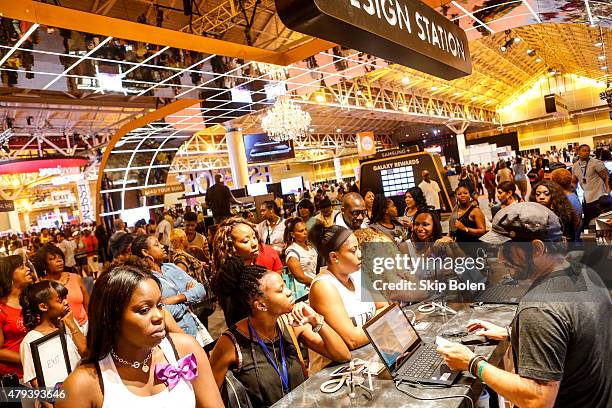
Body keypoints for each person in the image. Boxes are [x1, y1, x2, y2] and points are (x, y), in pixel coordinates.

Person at [437, 202, 612, 408]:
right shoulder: (585, 273)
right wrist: (516, 333)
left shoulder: (539, 307)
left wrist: (472, 363)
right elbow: (576, 337)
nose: (500, 258)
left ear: (537, 248)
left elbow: (537, 400)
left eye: (505, 250)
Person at [56, 265, 224, 408]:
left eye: (159, 305)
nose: (159, 316)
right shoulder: (82, 384)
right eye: (144, 310)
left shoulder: (185, 349)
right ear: (112, 318)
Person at [209, 258, 350, 407]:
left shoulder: (290, 324)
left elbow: (342, 355)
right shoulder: (231, 343)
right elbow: (209, 398)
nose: (289, 292)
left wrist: (316, 320)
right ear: (261, 305)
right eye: (280, 290)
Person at [309, 224, 385, 352]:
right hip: (336, 367)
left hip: (369, 350)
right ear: (334, 257)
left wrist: (368, 328)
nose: (360, 254)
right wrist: (382, 324)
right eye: (353, 250)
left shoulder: (357, 273)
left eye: (359, 248)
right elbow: (352, 340)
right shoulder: (324, 286)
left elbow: (386, 308)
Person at [131, 235, 206, 339]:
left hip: (195, 328)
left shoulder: (171, 267)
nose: (162, 246)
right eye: (157, 245)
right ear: (145, 252)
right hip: (174, 337)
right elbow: (162, 312)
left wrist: (177, 298)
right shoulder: (146, 279)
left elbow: (200, 290)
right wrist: (188, 301)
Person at [212, 217, 282, 326]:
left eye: (254, 237)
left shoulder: (252, 267)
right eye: (245, 241)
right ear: (231, 247)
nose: (254, 243)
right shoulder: (229, 274)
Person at [19, 281, 87, 390]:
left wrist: (72, 325)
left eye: (65, 298)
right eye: (60, 300)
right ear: (43, 307)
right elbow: (36, 383)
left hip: (79, 390)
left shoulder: (69, 323)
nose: (66, 302)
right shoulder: (30, 341)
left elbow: (86, 352)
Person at [35, 243, 89, 331]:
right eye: (52, 259)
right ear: (44, 263)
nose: (59, 260)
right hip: (61, 330)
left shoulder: (75, 277)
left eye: (60, 257)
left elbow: (87, 304)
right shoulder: (41, 285)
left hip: (85, 325)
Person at [169, 229, 215, 327]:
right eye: (185, 237)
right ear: (182, 240)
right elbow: (180, 277)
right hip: (196, 300)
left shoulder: (182, 254)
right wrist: (188, 291)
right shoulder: (180, 257)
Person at [0, 255, 33, 379]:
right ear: (9, 275)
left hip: (41, 368)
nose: (28, 269)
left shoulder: (32, 298)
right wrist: (29, 358)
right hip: (17, 376)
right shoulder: (2, 309)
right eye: (21, 267)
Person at [572, 144, 611, 226]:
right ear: (578, 152)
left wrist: (606, 194)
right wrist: (572, 195)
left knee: (600, 224)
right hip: (586, 199)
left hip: (599, 197)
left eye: (588, 151)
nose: (587, 152)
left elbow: (607, 177)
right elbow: (574, 182)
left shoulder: (596, 163)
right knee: (588, 224)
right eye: (584, 150)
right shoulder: (575, 166)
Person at [284, 217, 318, 287]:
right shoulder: (292, 252)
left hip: (317, 283)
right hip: (306, 290)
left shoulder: (310, 247)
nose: (305, 232)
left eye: (306, 229)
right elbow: (301, 278)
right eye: (301, 231)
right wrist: (318, 283)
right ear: (292, 234)